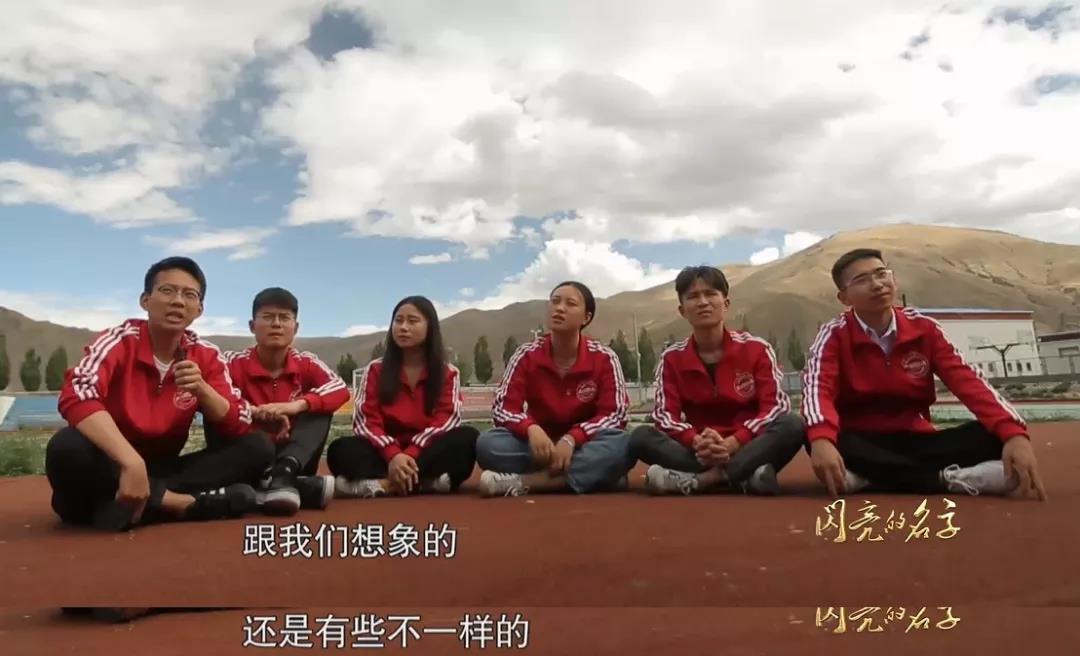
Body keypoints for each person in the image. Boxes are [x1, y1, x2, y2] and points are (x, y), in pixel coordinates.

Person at [45, 257, 274, 532]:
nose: (178, 301)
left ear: (199, 309)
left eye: (189, 295)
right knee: (67, 446)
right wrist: (130, 462)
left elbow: (239, 421)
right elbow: (77, 393)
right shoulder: (119, 340)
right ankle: (179, 504)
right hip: (110, 463)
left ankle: (132, 507)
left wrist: (203, 390)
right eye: (167, 291)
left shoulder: (206, 354)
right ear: (145, 300)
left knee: (258, 446)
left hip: (165, 470)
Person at [802, 248, 1047, 500]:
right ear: (844, 298)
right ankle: (948, 479)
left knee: (992, 436)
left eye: (881, 274)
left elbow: (968, 381)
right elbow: (817, 390)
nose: (877, 284)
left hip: (918, 440)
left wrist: (1013, 433)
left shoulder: (924, 329)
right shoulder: (833, 335)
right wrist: (822, 439)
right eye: (862, 280)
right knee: (817, 438)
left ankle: (869, 479)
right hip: (862, 440)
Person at [630, 266, 806, 495]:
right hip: (699, 450)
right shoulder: (672, 358)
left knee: (792, 424)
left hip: (748, 444)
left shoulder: (757, 349)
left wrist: (735, 442)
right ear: (682, 310)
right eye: (693, 296)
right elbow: (665, 416)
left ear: (726, 303)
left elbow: (774, 407)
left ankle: (705, 479)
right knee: (641, 437)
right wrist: (696, 441)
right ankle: (746, 476)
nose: (703, 302)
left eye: (711, 294)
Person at [476, 281, 633, 497]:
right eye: (555, 301)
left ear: (586, 317)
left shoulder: (604, 358)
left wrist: (573, 438)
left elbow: (615, 414)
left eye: (570, 304)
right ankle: (595, 475)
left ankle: (527, 482)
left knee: (624, 444)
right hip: (539, 445)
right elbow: (503, 408)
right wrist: (531, 428)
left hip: (584, 444)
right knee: (488, 444)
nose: (559, 308)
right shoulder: (526, 355)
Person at [327, 296, 477, 497]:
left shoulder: (448, 373)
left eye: (412, 321)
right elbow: (366, 421)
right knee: (340, 450)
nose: (403, 327)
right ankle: (425, 483)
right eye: (398, 321)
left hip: (426, 452)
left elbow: (446, 421)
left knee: (467, 439)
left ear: (430, 328)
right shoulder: (375, 370)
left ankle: (385, 485)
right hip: (384, 454)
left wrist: (410, 454)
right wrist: (393, 455)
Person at [222, 287, 349, 515]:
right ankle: (290, 487)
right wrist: (255, 412)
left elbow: (339, 387)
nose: (276, 324)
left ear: (296, 328)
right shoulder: (231, 362)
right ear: (252, 326)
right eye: (267, 317)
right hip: (245, 456)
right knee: (218, 408)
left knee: (318, 406)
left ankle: (283, 475)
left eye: (284, 318)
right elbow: (214, 393)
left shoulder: (306, 362)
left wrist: (295, 406)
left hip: (295, 458)